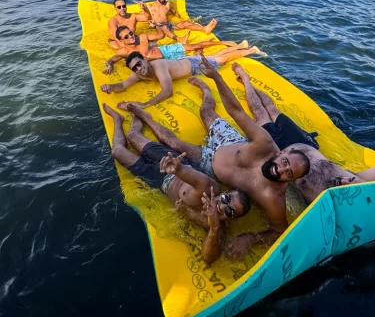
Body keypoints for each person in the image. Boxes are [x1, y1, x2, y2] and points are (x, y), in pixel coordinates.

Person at [117, 55, 310, 254]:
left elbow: (279, 230)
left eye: (289, 174)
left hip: (209, 166)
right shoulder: (265, 143)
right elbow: (236, 111)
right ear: (283, 153)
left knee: (172, 142)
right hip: (229, 142)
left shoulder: (272, 197)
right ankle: (205, 90)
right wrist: (215, 77)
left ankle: (145, 119)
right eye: (285, 162)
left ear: (290, 180)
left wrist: (251, 237)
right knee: (205, 112)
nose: (281, 170)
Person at [103, 103, 250, 264]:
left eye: (230, 211)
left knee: (117, 152)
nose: (223, 207)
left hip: (158, 181)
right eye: (226, 199)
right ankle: (137, 114)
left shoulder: (215, 227)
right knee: (132, 135)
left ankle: (117, 119)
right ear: (223, 193)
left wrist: (214, 229)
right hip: (171, 164)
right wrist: (176, 168)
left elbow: (209, 258)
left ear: (231, 219)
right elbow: (193, 177)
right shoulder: (209, 188)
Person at [231, 62, 375, 204]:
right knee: (273, 110)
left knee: (260, 114)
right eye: (350, 180)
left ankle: (245, 82)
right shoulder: (355, 178)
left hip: (277, 149)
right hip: (302, 143)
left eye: (345, 183)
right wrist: (372, 191)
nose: (345, 181)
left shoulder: (322, 200)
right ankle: (248, 82)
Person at [100, 45, 265, 108]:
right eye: (134, 68)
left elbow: (168, 91)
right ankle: (240, 46)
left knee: (222, 60)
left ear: (144, 60)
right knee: (213, 57)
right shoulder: (139, 73)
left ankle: (251, 50)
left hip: (192, 66)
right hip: (183, 62)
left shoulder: (159, 66)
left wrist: (146, 104)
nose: (138, 69)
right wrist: (110, 87)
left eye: (139, 64)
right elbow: (122, 85)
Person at [102, 25, 243, 74]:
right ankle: (235, 50)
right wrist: (109, 66)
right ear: (122, 40)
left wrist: (156, 25)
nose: (131, 36)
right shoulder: (123, 52)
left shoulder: (143, 37)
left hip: (166, 50)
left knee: (196, 46)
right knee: (201, 59)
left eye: (131, 33)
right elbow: (111, 60)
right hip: (167, 61)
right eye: (127, 36)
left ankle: (223, 42)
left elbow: (160, 35)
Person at [139, 0, 217, 42]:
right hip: (156, 25)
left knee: (185, 23)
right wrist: (149, 21)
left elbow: (174, 13)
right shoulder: (149, 7)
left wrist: (181, 18)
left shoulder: (167, 5)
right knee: (164, 27)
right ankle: (180, 39)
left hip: (168, 24)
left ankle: (204, 29)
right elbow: (143, 17)